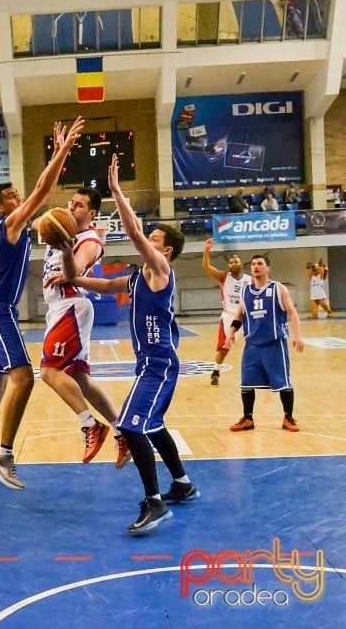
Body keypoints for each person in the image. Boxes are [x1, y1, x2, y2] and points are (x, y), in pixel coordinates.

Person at [66, 154, 196, 535]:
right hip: (149, 365)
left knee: (130, 425)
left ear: (166, 250)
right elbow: (107, 285)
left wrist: (118, 192)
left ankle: (154, 503)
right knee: (151, 427)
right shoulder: (140, 276)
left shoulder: (161, 270)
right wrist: (72, 278)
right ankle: (183, 484)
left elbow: (136, 234)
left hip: (159, 363)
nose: (147, 241)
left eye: (155, 240)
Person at [0, 116, 85, 490]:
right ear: (2, 207)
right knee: (24, 379)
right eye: (14, 197)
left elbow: (43, 205)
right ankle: (5, 455)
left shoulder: (11, 228)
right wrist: (61, 150)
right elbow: (42, 192)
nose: (20, 199)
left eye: (18, 195)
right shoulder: (8, 224)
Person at [34, 187, 129, 467]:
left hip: (71, 305)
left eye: (79, 205)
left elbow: (74, 270)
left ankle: (90, 425)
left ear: (92, 213)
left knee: (49, 372)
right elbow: (33, 222)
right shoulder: (62, 230)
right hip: (60, 308)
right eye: (71, 203)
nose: (72, 208)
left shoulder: (89, 240)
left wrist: (65, 251)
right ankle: (122, 432)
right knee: (81, 379)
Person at [227, 255, 305, 433]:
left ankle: (288, 417)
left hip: (274, 344)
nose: (255, 267)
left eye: (260, 264)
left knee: (283, 382)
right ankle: (247, 418)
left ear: (268, 268)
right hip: (252, 345)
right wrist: (231, 332)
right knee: (246, 383)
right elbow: (240, 315)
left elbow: (292, 312)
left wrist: (297, 335)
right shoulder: (245, 291)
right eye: (253, 264)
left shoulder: (278, 288)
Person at [201, 238, 251, 386]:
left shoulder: (250, 280)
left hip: (247, 317)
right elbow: (207, 267)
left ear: (241, 264)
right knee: (225, 346)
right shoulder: (224, 277)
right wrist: (207, 250)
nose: (233, 264)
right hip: (229, 316)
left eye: (236, 261)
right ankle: (216, 371)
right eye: (231, 262)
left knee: (258, 343)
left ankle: (261, 371)